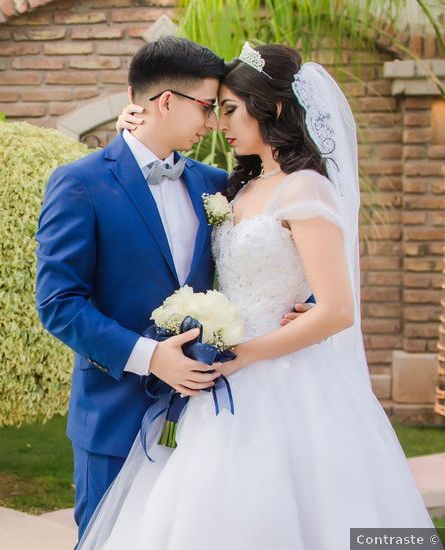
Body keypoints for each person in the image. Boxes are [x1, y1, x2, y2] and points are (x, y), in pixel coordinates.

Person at [78, 43, 434, 549]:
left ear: (276, 109)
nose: (219, 123)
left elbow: (337, 309)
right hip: (214, 380)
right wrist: (132, 133)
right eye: (212, 109)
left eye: (228, 109)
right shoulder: (235, 187)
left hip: (281, 380)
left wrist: (241, 354)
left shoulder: (306, 187)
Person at [35, 36, 232, 541]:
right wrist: (150, 356)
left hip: (205, 421)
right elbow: (59, 304)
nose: (211, 122)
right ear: (167, 101)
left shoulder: (216, 184)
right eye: (206, 107)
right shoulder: (79, 183)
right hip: (114, 416)